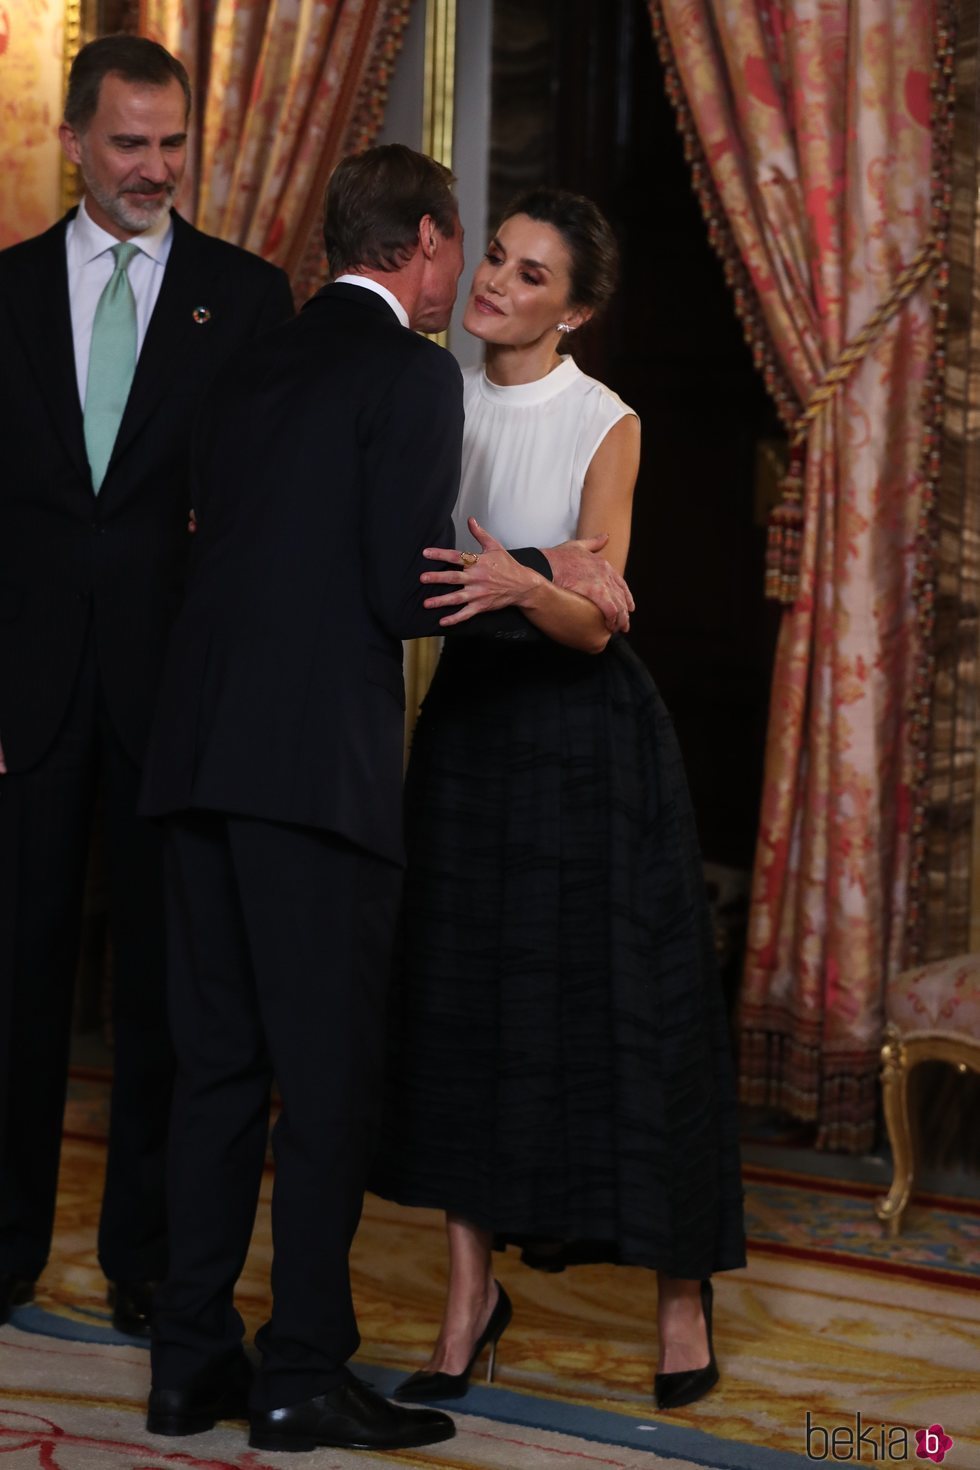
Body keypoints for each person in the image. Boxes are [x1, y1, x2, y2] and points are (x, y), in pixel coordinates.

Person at [137, 145, 631, 1454]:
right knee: (327, 1087)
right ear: (421, 240)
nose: (463, 270)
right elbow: (400, 593)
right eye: (460, 244)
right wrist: (546, 566)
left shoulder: (240, 361)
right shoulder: (409, 374)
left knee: (214, 1078)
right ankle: (301, 1371)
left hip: (191, 767)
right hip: (315, 786)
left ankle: (189, 1367)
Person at [370, 188, 747, 1413]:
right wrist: (543, 572)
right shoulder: (426, 386)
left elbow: (596, 622)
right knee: (463, 1011)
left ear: (574, 308)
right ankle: (469, 1302)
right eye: (494, 257)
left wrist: (518, 579)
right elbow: (447, 566)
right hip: (470, 730)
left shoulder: (605, 417)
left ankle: (680, 1299)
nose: (494, 283)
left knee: (631, 1015)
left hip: (588, 742)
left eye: (530, 275)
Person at [0, 35, 293, 1338]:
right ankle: (4, 1248)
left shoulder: (244, 297)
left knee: (171, 1000)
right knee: (14, 984)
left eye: (172, 144)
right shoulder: (0, 293)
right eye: (128, 143)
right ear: (72, 142)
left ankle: (149, 1259)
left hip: (179, 705)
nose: (154, 169)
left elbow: (263, 519)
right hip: (24, 699)